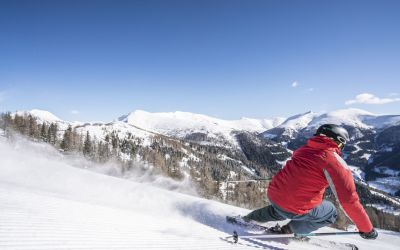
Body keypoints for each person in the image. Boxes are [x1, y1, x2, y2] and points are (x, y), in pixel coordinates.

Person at [243, 124, 378, 240]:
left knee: (281, 207)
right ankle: (289, 231)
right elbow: (349, 201)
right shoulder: (334, 162)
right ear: (339, 141)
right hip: (294, 206)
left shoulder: (304, 149)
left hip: (274, 195)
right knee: (330, 211)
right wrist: (367, 229)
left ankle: (247, 219)